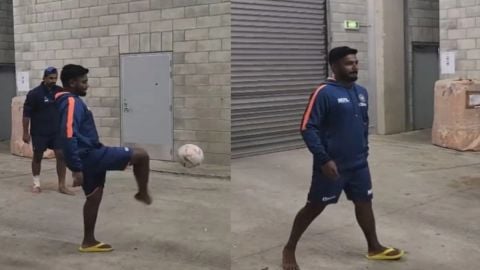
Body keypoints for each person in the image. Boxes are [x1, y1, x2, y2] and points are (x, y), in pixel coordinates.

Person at [282, 47, 404, 270]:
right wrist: (324, 159)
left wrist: (364, 151)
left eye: (356, 62)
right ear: (335, 66)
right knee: (315, 206)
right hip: (332, 166)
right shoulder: (324, 92)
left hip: (358, 164)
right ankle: (289, 247)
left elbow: (364, 124)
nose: (355, 67)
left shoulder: (361, 92)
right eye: (349, 63)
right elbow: (307, 127)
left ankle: (374, 246)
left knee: (364, 202)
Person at [55, 64, 152, 252]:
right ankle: (142, 193)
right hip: (90, 155)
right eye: (83, 82)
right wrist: (75, 168)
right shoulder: (71, 102)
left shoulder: (65, 100)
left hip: (87, 154)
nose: (87, 85)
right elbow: (68, 135)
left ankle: (88, 241)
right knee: (141, 155)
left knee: (94, 197)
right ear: (72, 82)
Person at [23, 67, 74, 195]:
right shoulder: (34, 94)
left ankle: (62, 185)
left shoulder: (60, 92)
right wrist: (25, 132)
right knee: (38, 157)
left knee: (61, 155)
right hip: (39, 132)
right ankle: (36, 183)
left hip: (56, 131)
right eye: (50, 78)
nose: (53, 80)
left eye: (55, 78)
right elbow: (26, 114)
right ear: (44, 78)